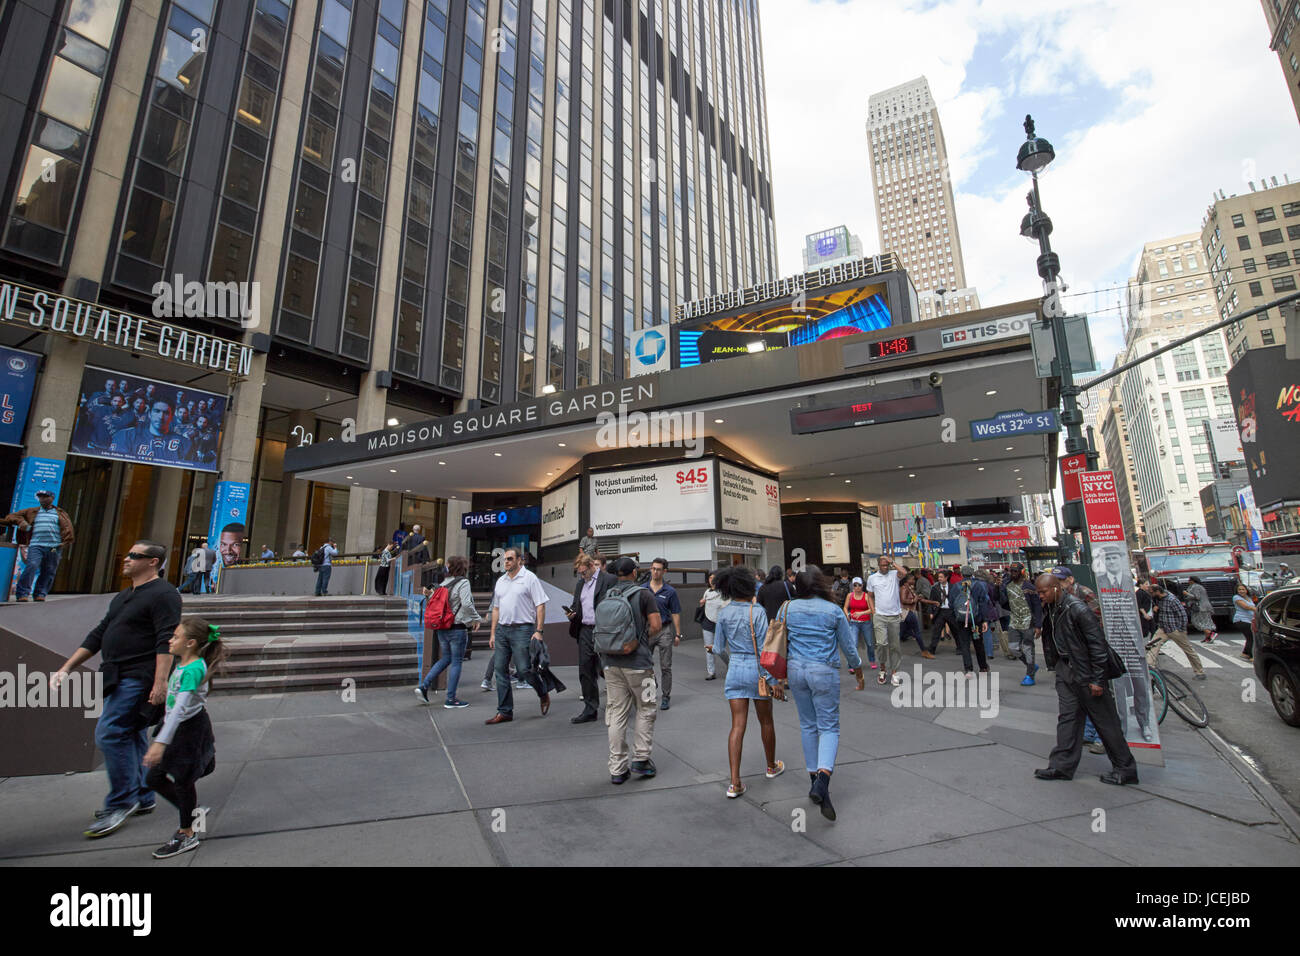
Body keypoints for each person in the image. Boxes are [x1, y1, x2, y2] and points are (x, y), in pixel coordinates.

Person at [49, 542, 181, 838]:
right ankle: (143, 796)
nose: (126, 558)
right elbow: (100, 633)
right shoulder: (124, 596)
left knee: (110, 732)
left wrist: (160, 682)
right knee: (131, 733)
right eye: (128, 553)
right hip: (116, 674)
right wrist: (67, 666)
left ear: (153, 562)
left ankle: (121, 802)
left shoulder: (164, 594)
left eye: (135, 555)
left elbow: (166, 639)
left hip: (139, 676)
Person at [1033, 573, 1139, 786]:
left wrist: (1098, 680)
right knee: (1068, 719)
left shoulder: (1077, 609)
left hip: (1086, 674)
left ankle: (1125, 769)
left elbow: (1098, 646)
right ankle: (1061, 765)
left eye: (1043, 592)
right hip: (1067, 672)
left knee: (1106, 722)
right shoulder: (1053, 608)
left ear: (1055, 588)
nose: (1040, 596)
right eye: (1038, 592)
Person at [778, 566, 864, 821]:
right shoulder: (833, 611)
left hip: (795, 670)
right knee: (829, 727)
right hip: (823, 670)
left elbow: (778, 642)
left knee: (807, 726)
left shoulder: (787, 608)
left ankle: (814, 779)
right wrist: (857, 670)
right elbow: (849, 647)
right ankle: (823, 779)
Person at [142, 616, 222, 859]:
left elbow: (180, 709)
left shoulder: (194, 669)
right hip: (175, 726)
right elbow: (175, 703)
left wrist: (159, 743)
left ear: (191, 643)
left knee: (182, 780)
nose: (170, 640)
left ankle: (187, 833)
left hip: (188, 730)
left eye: (176, 636)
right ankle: (192, 812)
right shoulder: (184, 663)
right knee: (154, 778)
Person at [706, 566, 783, 798]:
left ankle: (735, 782)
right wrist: (773, 679)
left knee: (737, 725)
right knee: (766, 721)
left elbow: (718, 648)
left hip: (735, 671)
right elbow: (764, 650)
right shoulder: (756, 611)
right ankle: (771, 766)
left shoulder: (724, 612)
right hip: (757, 671)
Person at [597, 557, 662, 784]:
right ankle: (641, 759)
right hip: (639, 666)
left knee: (616, 713)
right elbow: (656, 626)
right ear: (634, 573)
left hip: (610, 663)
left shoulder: (608, 595)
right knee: (647, 707)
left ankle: (617, 768)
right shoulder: (644, 595)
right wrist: (640, 641)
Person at [484, 547, 551, 724]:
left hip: (523, 629)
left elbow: (540, 605)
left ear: (519, 560)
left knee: (524, 670)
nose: (506, 562)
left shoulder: (529, 578)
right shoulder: (501, 581)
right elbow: (496, 609)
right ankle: (505, 711)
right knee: (500, 670)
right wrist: (492, 633)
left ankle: (542, 692)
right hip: (502, 630)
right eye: (505, 559)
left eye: (510, 559)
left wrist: (539, 630)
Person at [415, 555, 482, 708]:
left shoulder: (443, 584)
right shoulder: (463, 582)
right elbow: (466, 604)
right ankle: (451, 699)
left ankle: (424, 686)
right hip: (457, 628)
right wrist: (476, 618)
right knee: (457, 661)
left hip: (442, 628)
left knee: (446, 658)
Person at [566, 552, 616, 722]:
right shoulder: (581, 584)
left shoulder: (608, 580)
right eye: (579, 573)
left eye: (583, 572)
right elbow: (576, 605)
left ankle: (619, 704)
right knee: (585, 670)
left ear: (591, 566)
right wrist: (572, 613)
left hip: (603, 629)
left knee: (609, 668)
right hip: (585, 630)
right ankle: (590, 709)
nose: (582, 575)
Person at [4, 489, 75, 601]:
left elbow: (68, 528)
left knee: (49, 569)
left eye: (45, 496)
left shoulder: (60, 513)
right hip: (36, 545)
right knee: (32, 565)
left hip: (53, 547)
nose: (42, 499)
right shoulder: (32, 511)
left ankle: (40, 593)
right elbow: (11, 517)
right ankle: (22, 593)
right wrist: (21, 522)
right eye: (40, 497)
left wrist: (65, 542)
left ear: (52, 498)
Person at [1147, 582, 1206, 680]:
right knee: (1153, 646)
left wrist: (1181, 629)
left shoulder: (1172, 600)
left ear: (1157, 591)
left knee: (1188, 650)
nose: (1151, 595)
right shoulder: (1159, 598)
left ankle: (1200, 672)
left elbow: (1182, 615)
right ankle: (1150, 669)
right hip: (1163, 628)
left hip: (1174, 629)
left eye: (1152, 593)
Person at [646, 558, 683, 710]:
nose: (655, 571)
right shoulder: (643, 589)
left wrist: (678, 634)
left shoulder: (670, 591)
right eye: (653, 568)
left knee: (666, 666)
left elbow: (675, 612)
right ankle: (648, 694)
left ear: (664, 571)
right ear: (650, 569)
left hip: (665, 630)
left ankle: (666, 696)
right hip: (647, 631)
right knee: (645, 665)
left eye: (659, 569)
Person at [866, 555, 909, 686]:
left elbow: (904, 572)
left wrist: (893, 562)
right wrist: (874, 611)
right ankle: (883, 669)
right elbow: (869, 596)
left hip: (894, 615)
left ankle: (895, 672)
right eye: (883, 565)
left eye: (887, 565)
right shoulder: (872, 578)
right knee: (881, 644)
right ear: (878, 565)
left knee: (895, 646)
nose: (885, 567)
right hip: (880, 616)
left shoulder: (894, 574)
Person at [1003, 562, 1043, 685]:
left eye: (1015, 571)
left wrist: (1038, 626)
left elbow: (1037, 606)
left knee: (1028, 649)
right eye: (1011, 571)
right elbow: (1003, 601)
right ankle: (1030, 665)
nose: (1013, 573)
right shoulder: (1007, 586)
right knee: (1013, 648)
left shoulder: (1029, 587)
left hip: (1028, 623)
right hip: (1014, 622)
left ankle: (1030, 675)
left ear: (1021, 572)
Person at [950, 567, 989, 676]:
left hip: (961, 620)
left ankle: (969, 670)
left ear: (961, 574)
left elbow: (951, 603)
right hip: (975, 620)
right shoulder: (978, 586)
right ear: (972, 574)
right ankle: (983, 667)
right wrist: (985, 620)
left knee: (964, 644)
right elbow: (983, 603)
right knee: (978, 643)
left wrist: (956, 616)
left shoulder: (956, 586)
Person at [698, 570, 727, 680]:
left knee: (719, 648)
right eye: (710, 578)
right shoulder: (707, 592)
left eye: (714, 578)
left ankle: (729, 663)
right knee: (708, 647)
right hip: (707, 622)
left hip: (720, 623)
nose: (712, 580)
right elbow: (704, 603)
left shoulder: (723, 592)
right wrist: (702, 602)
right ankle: (711, 672)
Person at [842, 577, 876, 671]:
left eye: (859, 585)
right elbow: (845, 607)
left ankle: (872, 660)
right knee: (853, 644)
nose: (857, 587)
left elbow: (872, 610)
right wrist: (847, 614)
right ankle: (852, 664)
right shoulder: (850, 595)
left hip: (866, 622)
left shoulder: (866, 596)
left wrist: (861, 613)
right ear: (852, 586)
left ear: (862, 586)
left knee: (869, 643)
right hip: (853, 623)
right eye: (855, 585)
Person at [900, 571, 931, 659]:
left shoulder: (909, 588)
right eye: (912, 579)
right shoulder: (905, 588)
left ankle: (923, 650)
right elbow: (903, 600)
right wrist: (914, 600)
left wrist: (933, 602)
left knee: (905, 631)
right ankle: (924, 651)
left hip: (909, 612)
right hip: (907, 612)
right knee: (916, 632)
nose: (914, 580)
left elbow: (917, 599)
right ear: (907, 580)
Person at [926, 570, 955, 655]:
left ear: (946, 577)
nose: (939, 579)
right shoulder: (935, 588)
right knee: (936, 631)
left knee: (955, 630)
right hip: (940, 611)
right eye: (939, 577)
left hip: (950, 610)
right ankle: (932, 648)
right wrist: (931, 612)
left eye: (941, 577)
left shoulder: (953, 587)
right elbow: (931, 600)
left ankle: (960, 647)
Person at [1186, 577, 1219, 644]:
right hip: (1205, 607)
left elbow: (1197, 597)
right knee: (1206, 622)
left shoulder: (1195, 587)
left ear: (1193, 581)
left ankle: (1211, 633)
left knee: (1196, 621)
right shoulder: (1200, 586)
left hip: (1199, 607)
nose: (1188, 581)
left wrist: (1186, 594)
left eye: (1189, 580)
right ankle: (1208, 638)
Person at [1232, 583, 1256, 662]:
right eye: (1239, 589)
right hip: (1241, 620)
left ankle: (1245, 653)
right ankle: (1252, 655)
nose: (1241, 591)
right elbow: (1245, 607)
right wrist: (1257, 609)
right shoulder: (1236, 597)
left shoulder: (1248, 598)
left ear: (1246, 590)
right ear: (1237, 591)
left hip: (1249, 620)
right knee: (1251, 637)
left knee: (1250, 637)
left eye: (1243, 589)